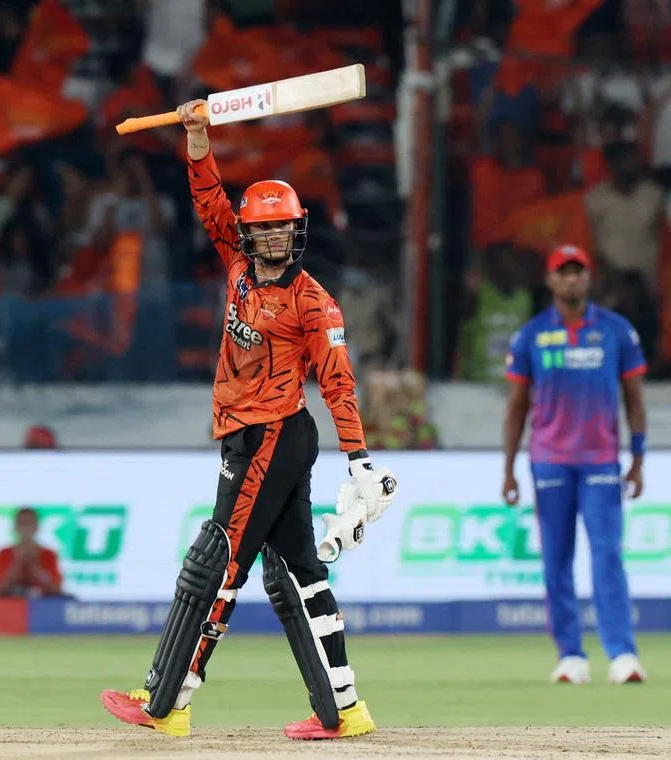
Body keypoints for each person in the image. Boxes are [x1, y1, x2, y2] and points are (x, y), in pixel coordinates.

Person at [100, 100, 398, 741]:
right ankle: (344, 710)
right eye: (261, 231)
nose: (270, 240)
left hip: (273, 438)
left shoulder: (312, 301)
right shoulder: (237, 265)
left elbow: (339, 384)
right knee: (295, 572)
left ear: (298, 232)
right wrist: (199, 139)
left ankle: (167, 698)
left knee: (217, 560)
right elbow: (209, 202)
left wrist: (360, 459)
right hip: (259, 436)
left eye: (282, 229)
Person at [501, 244, 648, 686]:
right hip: (549, 462)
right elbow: (516, 408)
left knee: (607, 555)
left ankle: (622, 655)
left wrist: (638, 459)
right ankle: (571, 656)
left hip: (601, 460)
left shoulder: (617, 331)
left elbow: (635, 402)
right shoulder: (529, 336)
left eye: (578, 272)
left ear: (589, 278)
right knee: (556, 561)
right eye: (562, 273)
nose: (571, 280)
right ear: (550, 281)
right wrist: (508, 469)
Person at [0, 507, 64, 598]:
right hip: (11, 603)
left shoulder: (49, 555)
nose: (26, 528)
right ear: (15, 527)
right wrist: (17, 563)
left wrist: (35, 567)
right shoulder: (4, 554)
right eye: (22, 523)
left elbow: (57, 589)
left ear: (37, 527)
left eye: (29, 523)